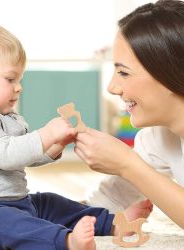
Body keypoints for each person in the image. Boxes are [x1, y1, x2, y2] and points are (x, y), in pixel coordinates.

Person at [0, 20, 152, 250]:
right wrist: (45, 134)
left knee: (51, 203)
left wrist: (54, 146)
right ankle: (66, 242)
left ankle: (112, 224)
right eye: (10, 79)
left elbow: (23, 156)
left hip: (14, 203)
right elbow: (4, 154)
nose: (19, 87)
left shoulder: (7, 116)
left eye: (19, 80)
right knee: (10, 225)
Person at [75, 0, 184, 229]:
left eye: (123, 72)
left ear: (170, 72)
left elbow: (132, 168)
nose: (112, 87)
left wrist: (128, 164)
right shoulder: (158, 138)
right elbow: (107, 201)